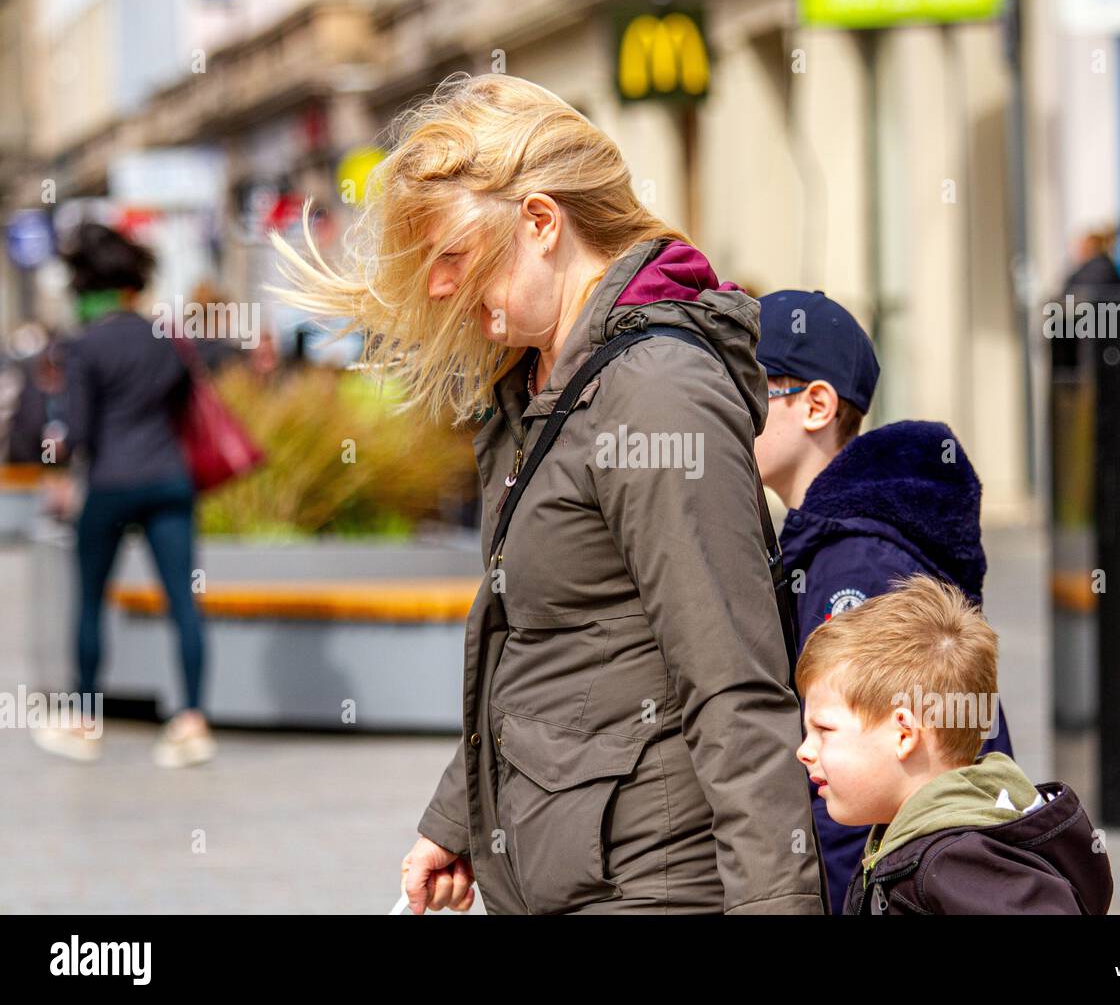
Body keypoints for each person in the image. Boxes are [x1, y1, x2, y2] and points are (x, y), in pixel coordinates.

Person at [271, 72, 826, 914]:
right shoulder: (538, 383)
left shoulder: (655, 391)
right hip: (555, 868)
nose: (439, 289)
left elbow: (735, 685)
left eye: (452, 256)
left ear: (540, 221)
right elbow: (536, 640)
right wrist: (459, 818)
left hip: (649, 882)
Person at [753, 288, 1013, 912]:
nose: (723, 412)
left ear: (815, 404)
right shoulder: (832, 543)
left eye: (747, 390)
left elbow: (864, 776)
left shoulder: (856, 563)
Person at [797, 575, 1111, 914]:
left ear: (904, 734)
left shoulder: (957, 863)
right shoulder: (917, 841)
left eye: (824, 729)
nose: (804, 750)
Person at [32, 222, 214, 768]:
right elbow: (188, 408)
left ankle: (86, 720)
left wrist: (55, 446)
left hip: (111, 485)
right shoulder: (168, 337)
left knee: (90, 600)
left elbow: (79, 435)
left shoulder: (84, 346)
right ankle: (192, 721)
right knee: (183, 601)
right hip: (168, 480)